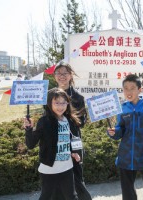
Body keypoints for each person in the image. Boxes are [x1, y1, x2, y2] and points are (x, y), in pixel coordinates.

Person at [107, 74, 143, 200]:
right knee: (127, 191)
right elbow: (120, 128)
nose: (128, 91)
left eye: (132, 88)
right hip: (126, 156)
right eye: (125, 88)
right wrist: (114, 132)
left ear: (139, 89)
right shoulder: (123, 107)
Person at [23, 88, 81, 200]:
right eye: (57, 103)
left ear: (67, 103)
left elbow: (68, 141)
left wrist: (73, 153)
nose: (60, 106)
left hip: (67, 167)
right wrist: (29, 130)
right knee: (47, 197)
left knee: (72, 197)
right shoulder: (44, 121)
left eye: (63, 102)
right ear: (49, 104)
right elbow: (30, 144)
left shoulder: (68, 120)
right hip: (49, 170)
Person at [51, 62, 91, 200]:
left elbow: (82, 123)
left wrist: (70, 117)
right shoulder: (50, 96)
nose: (62, 76)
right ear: (55, 76)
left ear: (70, 75)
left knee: (77, 178)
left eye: (65, 73)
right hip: (55, 142)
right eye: (58, 73)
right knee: (56, 179)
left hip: (73, 142)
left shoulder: (78, 97)